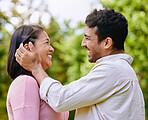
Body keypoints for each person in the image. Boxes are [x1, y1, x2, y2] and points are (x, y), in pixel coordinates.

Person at [15, 9, 145, 120]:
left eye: (87, 38)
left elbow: (61, 99)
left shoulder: (113, 71)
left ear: (106, 43)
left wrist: (36, 68)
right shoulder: (119, 71)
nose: (83, 43)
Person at [7, 25, 69, 120]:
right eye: (46, 43)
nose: (52, 49)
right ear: (28, 48)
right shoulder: (26, 82)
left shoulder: (41, 84)